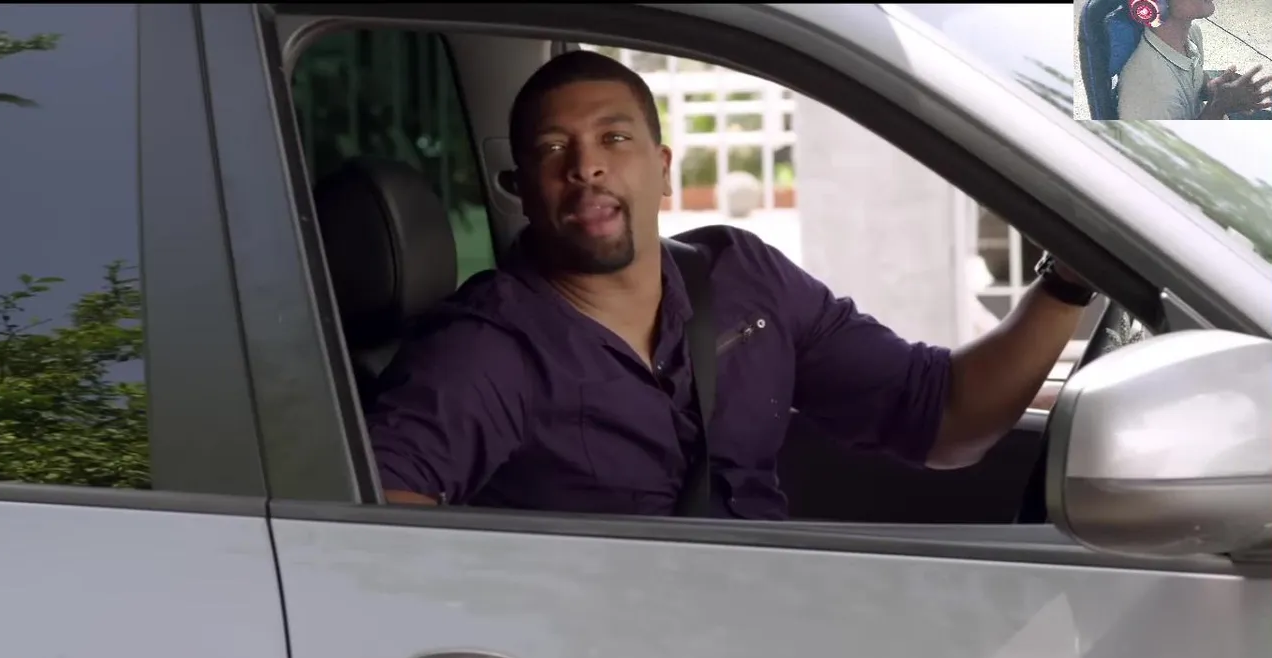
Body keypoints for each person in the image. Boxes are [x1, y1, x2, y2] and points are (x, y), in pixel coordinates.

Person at [367, 50, 1097, 519]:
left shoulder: (742, 278)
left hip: (768, 624)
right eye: (554, 149)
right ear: (523, 189)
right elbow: (373, 523)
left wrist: (1067, 282)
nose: (586, 166)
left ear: (663, 168)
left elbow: (943, 419)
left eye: (614, 138)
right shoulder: (485, 347)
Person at [1117, 0, 1272, 120]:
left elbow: (1195, 81)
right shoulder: (1152, 92)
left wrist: (1212, 88)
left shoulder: (1191, 34)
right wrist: (1217, 107)